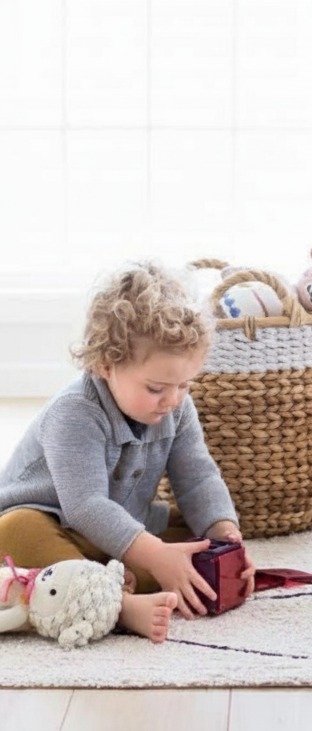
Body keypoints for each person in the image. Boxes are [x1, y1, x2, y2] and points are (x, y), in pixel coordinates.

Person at [0, 262, 255, 642]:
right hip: (55, 523)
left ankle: (133, 575)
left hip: (118, 531)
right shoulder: (74, 412)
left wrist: (225, 538)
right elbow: (85, 507)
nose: (172, 400)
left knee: (193, 532)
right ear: (106, 365)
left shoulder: (178, 407)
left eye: (184, 384)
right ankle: (117, 605)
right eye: (156, 388)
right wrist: (153, 554)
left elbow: (198, 477)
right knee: (16, 531)